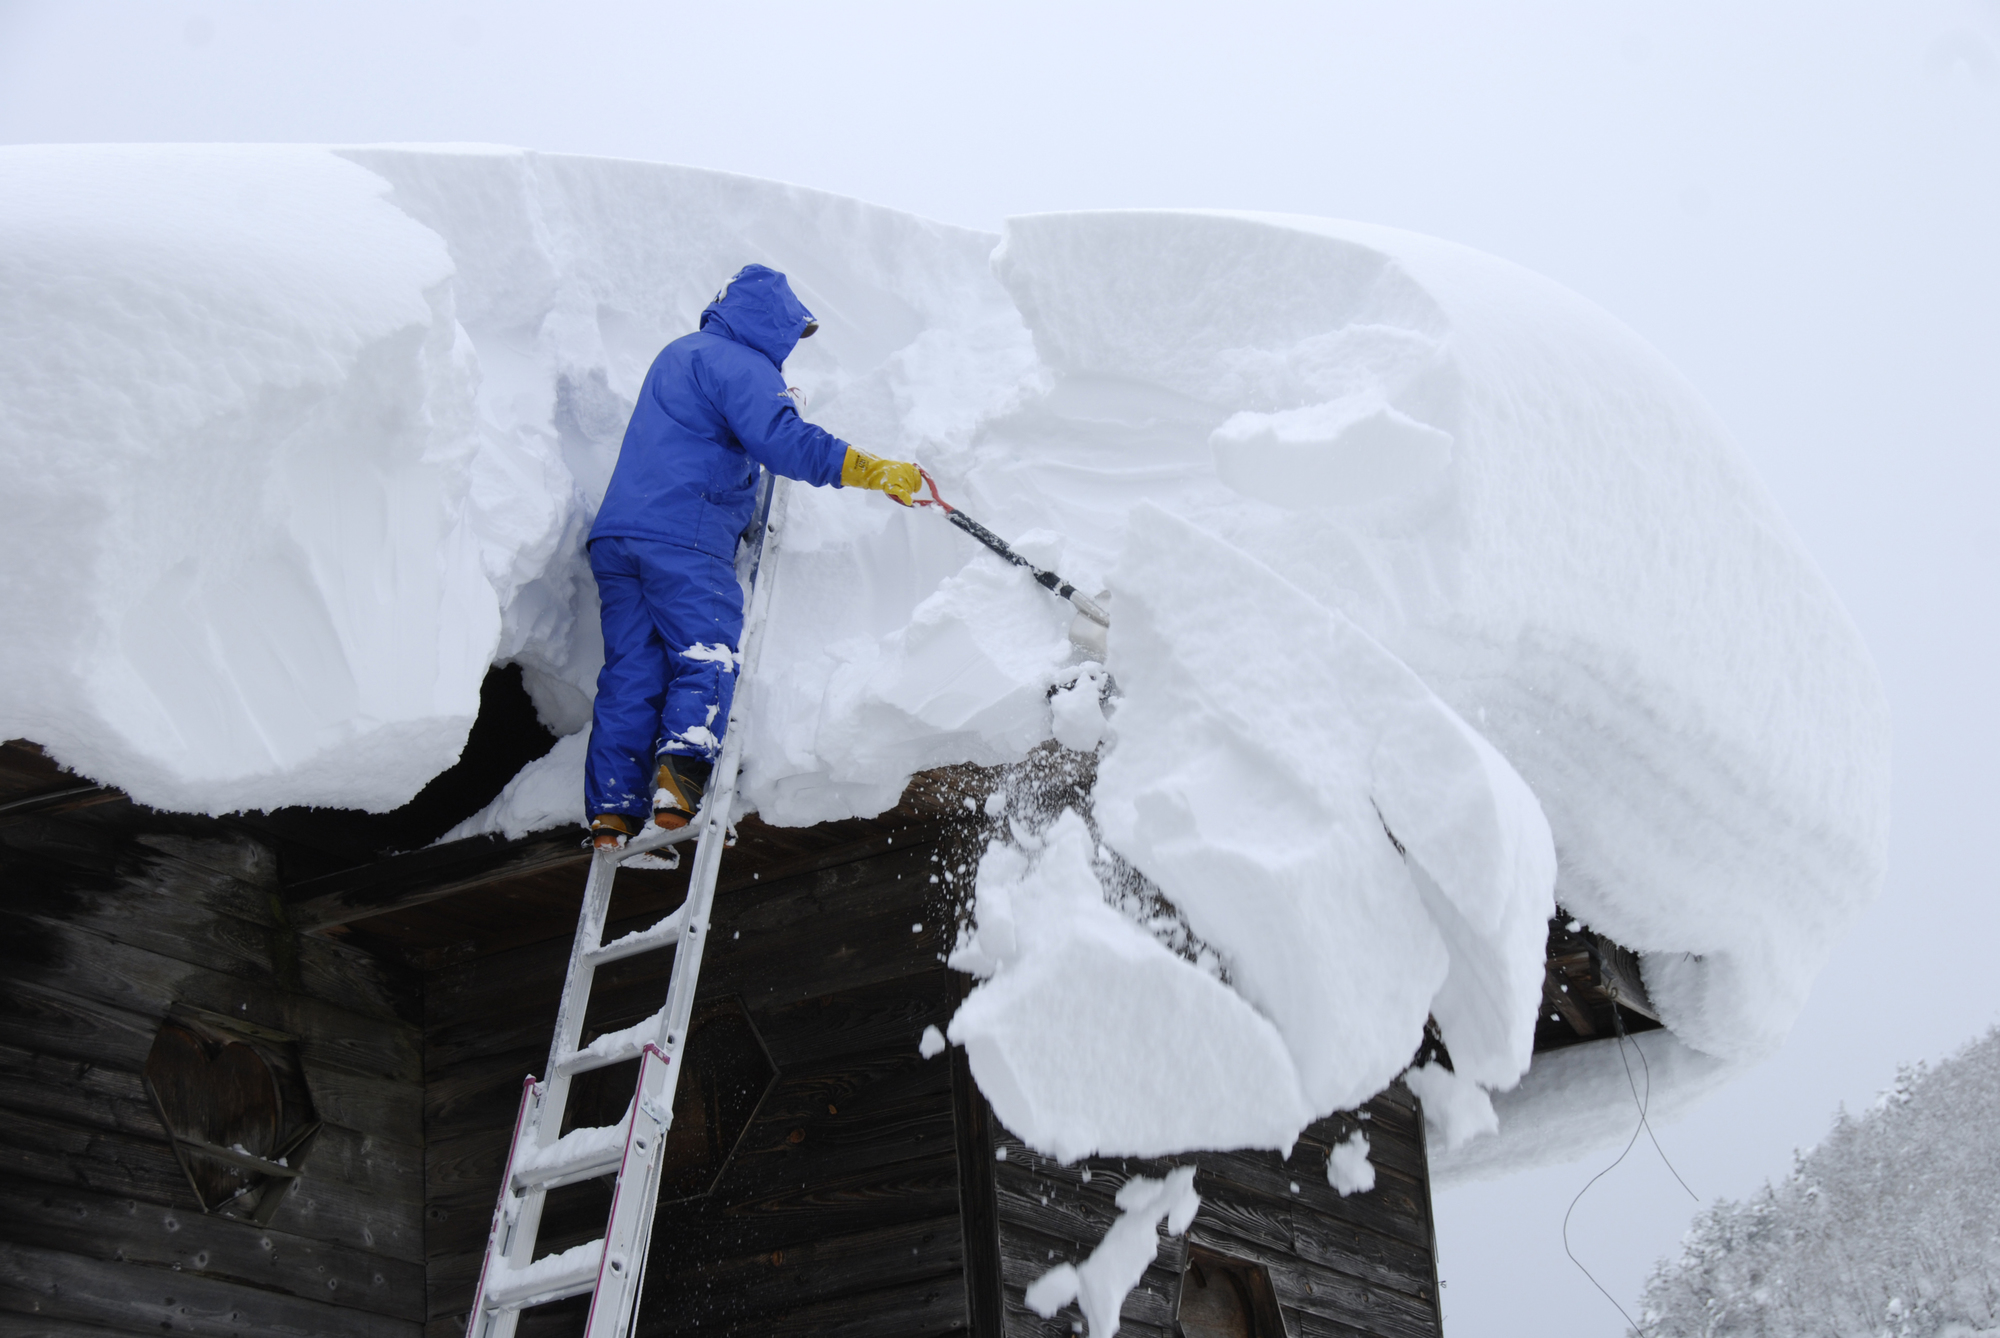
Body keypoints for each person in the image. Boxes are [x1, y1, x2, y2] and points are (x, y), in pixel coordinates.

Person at [583, 264, 920, 849]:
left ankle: (613, 807)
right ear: (771, 325)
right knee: (706, 649)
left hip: (618, 536)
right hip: (683, 537)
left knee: (632, 670)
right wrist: (869, 469)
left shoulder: (680, 353)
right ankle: (679, 780)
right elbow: (783, 441)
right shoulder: (742, 364)